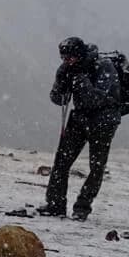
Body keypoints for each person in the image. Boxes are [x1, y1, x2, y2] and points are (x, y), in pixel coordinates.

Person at [40, 36, 122, 220]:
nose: (66, 61)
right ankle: (55, 205)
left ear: (79, 54)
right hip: (80, 117)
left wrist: (80, 80)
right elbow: (57, 98)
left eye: (69, 58)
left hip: (104, 120)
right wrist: (62, 82)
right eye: (63, 58)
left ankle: (82, 208)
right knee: (61, 161)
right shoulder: (68, 68)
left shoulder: (103, 66)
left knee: (96, 166)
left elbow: (98, 98)